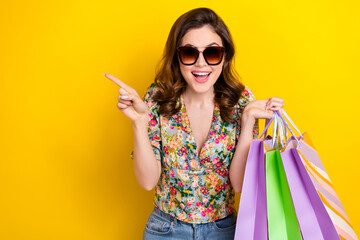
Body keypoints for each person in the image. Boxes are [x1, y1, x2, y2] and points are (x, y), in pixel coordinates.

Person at [105, 7, 284, 240]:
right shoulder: (157, 98)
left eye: (212, 53)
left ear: (225, 56)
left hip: (224, 230)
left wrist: (248, 121)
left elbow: (239, 185)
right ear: (176, 57)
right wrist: (139, 122)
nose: (201, 64)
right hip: (165, 230)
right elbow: (148, 181)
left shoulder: (241, 102)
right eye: (190, 53)